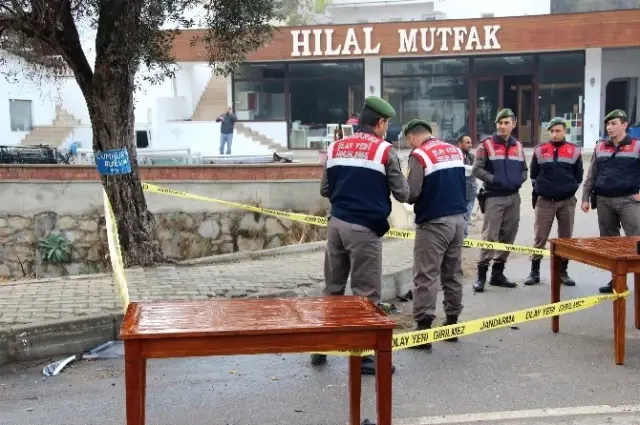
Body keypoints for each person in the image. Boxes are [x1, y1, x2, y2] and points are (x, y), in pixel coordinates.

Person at [314, 96, 410, 374]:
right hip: (364, 230)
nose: (386, 129)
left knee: (332, 288)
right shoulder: (385, 151)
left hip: (337, 225)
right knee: (366, 294)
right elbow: (403, 193)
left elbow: (324, 190)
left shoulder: (335, 147)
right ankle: (365, 357)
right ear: (380, 122)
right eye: (387, 124)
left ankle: (320, 347)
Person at [405, 120, 467, 350]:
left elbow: (411, 193)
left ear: (412, 137)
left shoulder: (419, 155)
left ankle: (423, 331)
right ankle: (452, 324)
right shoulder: (454, 151)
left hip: (433, 223)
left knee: (426, 276)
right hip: (458, 220)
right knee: (452, 273)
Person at [581, 109, 640, 294]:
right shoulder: (600, 147)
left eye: (614, 123)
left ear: (624, 125)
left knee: (636, 241)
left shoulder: (637, 146)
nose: (610, 127)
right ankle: (615, 280)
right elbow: (591, 175)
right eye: (608, 124)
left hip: (629, 201)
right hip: (604, 201)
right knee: (610, 243)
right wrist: (585, 197)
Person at [472, 108, 528, 293]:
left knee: (508, 236)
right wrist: (495, 180)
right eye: (500, 123)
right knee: (489, 237)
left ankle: (498, 274)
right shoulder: (486, 145)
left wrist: (519, 179)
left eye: (506, 122)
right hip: (494, 197)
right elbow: (477, 169)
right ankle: (481, 277)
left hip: (513, 197)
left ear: (514, 123)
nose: (503, 126)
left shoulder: (518, 146)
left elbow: (524, 169)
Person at [524, 117, 583, 286]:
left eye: (558, 131)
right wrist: (542, 190)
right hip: (545, 201)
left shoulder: (575, 151)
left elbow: (578, 177)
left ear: (565, 131)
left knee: (565, 238)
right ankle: (534, 272)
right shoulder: (540, 150)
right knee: (540, 237)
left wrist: (569, 191)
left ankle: (563, 272)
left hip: (567, 201)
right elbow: (533, 175)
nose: (554, 134)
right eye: (552, 131)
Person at [458, 134, 477, 240]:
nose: (470, 145)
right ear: (460, 144)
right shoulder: (455, 157)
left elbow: (478, 170)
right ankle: (459, 238)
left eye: (470, 142)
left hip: (471, 192)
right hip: (458, 192)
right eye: (467, 142)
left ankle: (463, 238)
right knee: (460, 217)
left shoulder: (472, 157)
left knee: (467, 215)